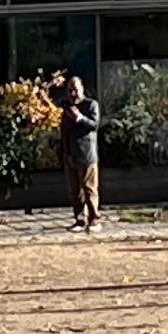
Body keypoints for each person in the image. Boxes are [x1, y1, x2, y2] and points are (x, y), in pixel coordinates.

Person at [52, 72, 103, 231]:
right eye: (70, 90)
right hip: (70, 153)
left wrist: (80, 117)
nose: (73, 93)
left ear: (82, 89)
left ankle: (94, 219)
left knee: (89, 189)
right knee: (74, 191)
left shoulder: (91, 105)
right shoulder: (66, 107)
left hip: (86, 154)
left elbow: (94, 125)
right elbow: (64, 130)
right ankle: (79, 220)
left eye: (75, 89)